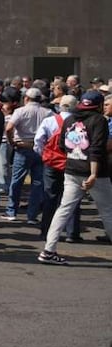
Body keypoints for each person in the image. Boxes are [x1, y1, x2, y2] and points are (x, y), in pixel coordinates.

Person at [38, 91, 112, 264]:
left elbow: (63, 144)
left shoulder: (70, 119)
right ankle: (48, 251)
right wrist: (93, 173)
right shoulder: (98, 120)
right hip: (95, 173)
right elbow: (97, 148)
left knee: (63, 210)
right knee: (107, 210)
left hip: (72, 170)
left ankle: (49, 250)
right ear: (99, 105)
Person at [35, 95, 81, 241]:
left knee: (50, 196)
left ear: (60, 106)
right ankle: (72, 233)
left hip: (52, 163)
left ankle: (46, 231)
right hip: (72, 163)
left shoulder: (49, 121)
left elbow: (39, 140)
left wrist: (45, 155)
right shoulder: (79, 123)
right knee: (72, 197)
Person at [3, 87, 51, 224]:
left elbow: (9, 128)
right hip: (40, 149)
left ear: (26, 98)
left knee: (17, 181)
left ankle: (12, 211)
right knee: (37, 183)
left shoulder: (20, 111)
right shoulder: (47, 112)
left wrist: (12, 142)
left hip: (22, 148)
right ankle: (32, 215)